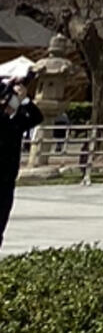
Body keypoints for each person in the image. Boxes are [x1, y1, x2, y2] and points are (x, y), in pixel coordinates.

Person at [0, 58, 35, 250]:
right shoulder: (6, 123)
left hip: (6, 184)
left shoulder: (14, 123)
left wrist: (24, 99)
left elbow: (37, 117)